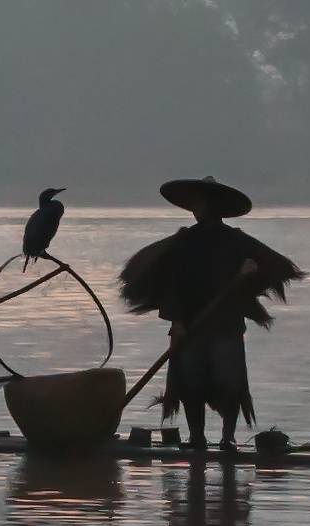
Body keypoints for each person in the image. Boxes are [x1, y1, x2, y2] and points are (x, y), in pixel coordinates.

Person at [118, 176, 300, 457]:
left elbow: (278, 268)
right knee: (190, 383)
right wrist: (176, 321)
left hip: (226, 324)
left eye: (200, 203)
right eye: (195, 204)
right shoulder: (184, 241)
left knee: (230, 382)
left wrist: (249, 276)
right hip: (189, 325)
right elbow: (174, 284)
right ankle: (197, 438)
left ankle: (227, 438)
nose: (196, 208)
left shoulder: (237, 242)